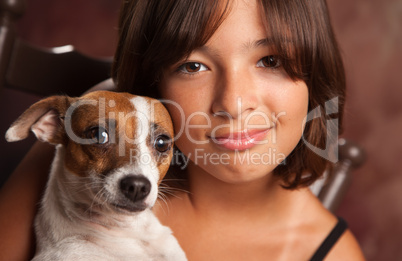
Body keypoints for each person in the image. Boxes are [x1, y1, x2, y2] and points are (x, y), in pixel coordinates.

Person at [0, 0, 366, 260]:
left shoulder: (329, 252)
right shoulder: (98, 119)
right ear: (151, 84)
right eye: (192, 65)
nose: (234, 103)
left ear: (315, 76)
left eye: (271, 60)